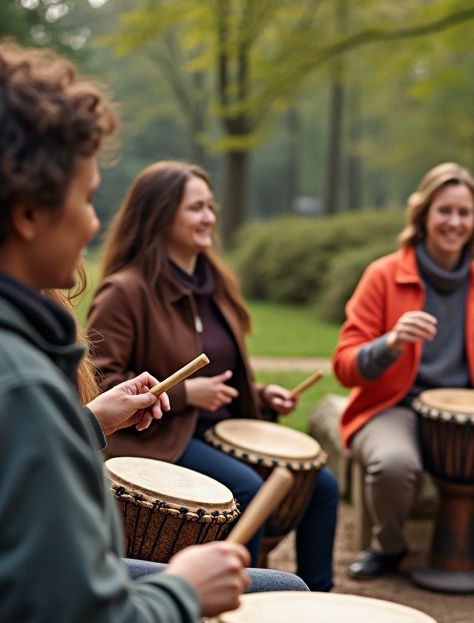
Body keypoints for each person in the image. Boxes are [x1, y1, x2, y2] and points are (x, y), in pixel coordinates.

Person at [0, 39, 302, 623]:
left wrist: (90, 421)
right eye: (88, 197)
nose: (96, 224)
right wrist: (184, 594)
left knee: (282, 591)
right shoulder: (9, 385)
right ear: (27, 211)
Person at [87, 161, 338, 592]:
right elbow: (102, 382)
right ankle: (241, 605)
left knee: (323, 485)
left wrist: (261, 395)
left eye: (210, 206)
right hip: (160, 438)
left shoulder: (215, 284)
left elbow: (225, 373)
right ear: (161, 214)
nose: (209, 217)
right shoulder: (125, 291)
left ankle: (318, 599)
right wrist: (186, 394)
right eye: (196, 208)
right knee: (247, 488)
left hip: (215, 430)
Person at [332, 162, 474, 581]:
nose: (454, 222)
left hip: (468, 415)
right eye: (444, 211)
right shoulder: (383, 275)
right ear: (423, 216)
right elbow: (345, 366)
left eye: (464, 213)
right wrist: (390, 343)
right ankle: (389, 548)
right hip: (394, 407)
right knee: (393, 465)